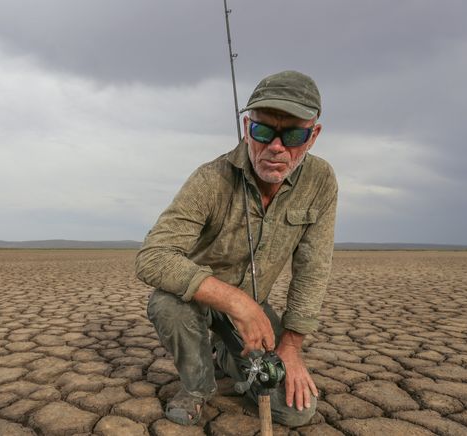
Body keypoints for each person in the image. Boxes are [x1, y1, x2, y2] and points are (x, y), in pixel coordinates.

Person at [135, 70, 337, 427]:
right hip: (197, 297)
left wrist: (290, 347)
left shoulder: (320, 181)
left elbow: (313, 269)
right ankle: (197, 387)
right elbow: (153, 257)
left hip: (251, 309)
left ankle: (226, 354)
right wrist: (237, 302)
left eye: (292, 135)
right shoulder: (211, 179)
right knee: (166, 304)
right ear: (247, 128)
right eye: (262, 131)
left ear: (313, 135)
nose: (276, 147)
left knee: (295, 412)